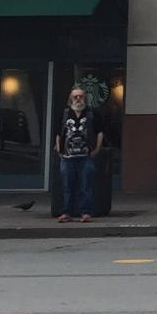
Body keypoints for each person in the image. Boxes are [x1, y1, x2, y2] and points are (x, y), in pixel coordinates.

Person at [54, 85, 103, 223]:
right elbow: (58, 132)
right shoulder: (64, 113)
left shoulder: (92, 113)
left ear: (85, 98)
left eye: (81, 96)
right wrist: (59, 149)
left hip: (85, 157)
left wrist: (97, 148)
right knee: (67, 186)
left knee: (85, 186)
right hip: (67, 157)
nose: (78, 99)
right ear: (70, 99)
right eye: (75, 96)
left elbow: (100, 132)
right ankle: (66, 213)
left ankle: (85, 213)